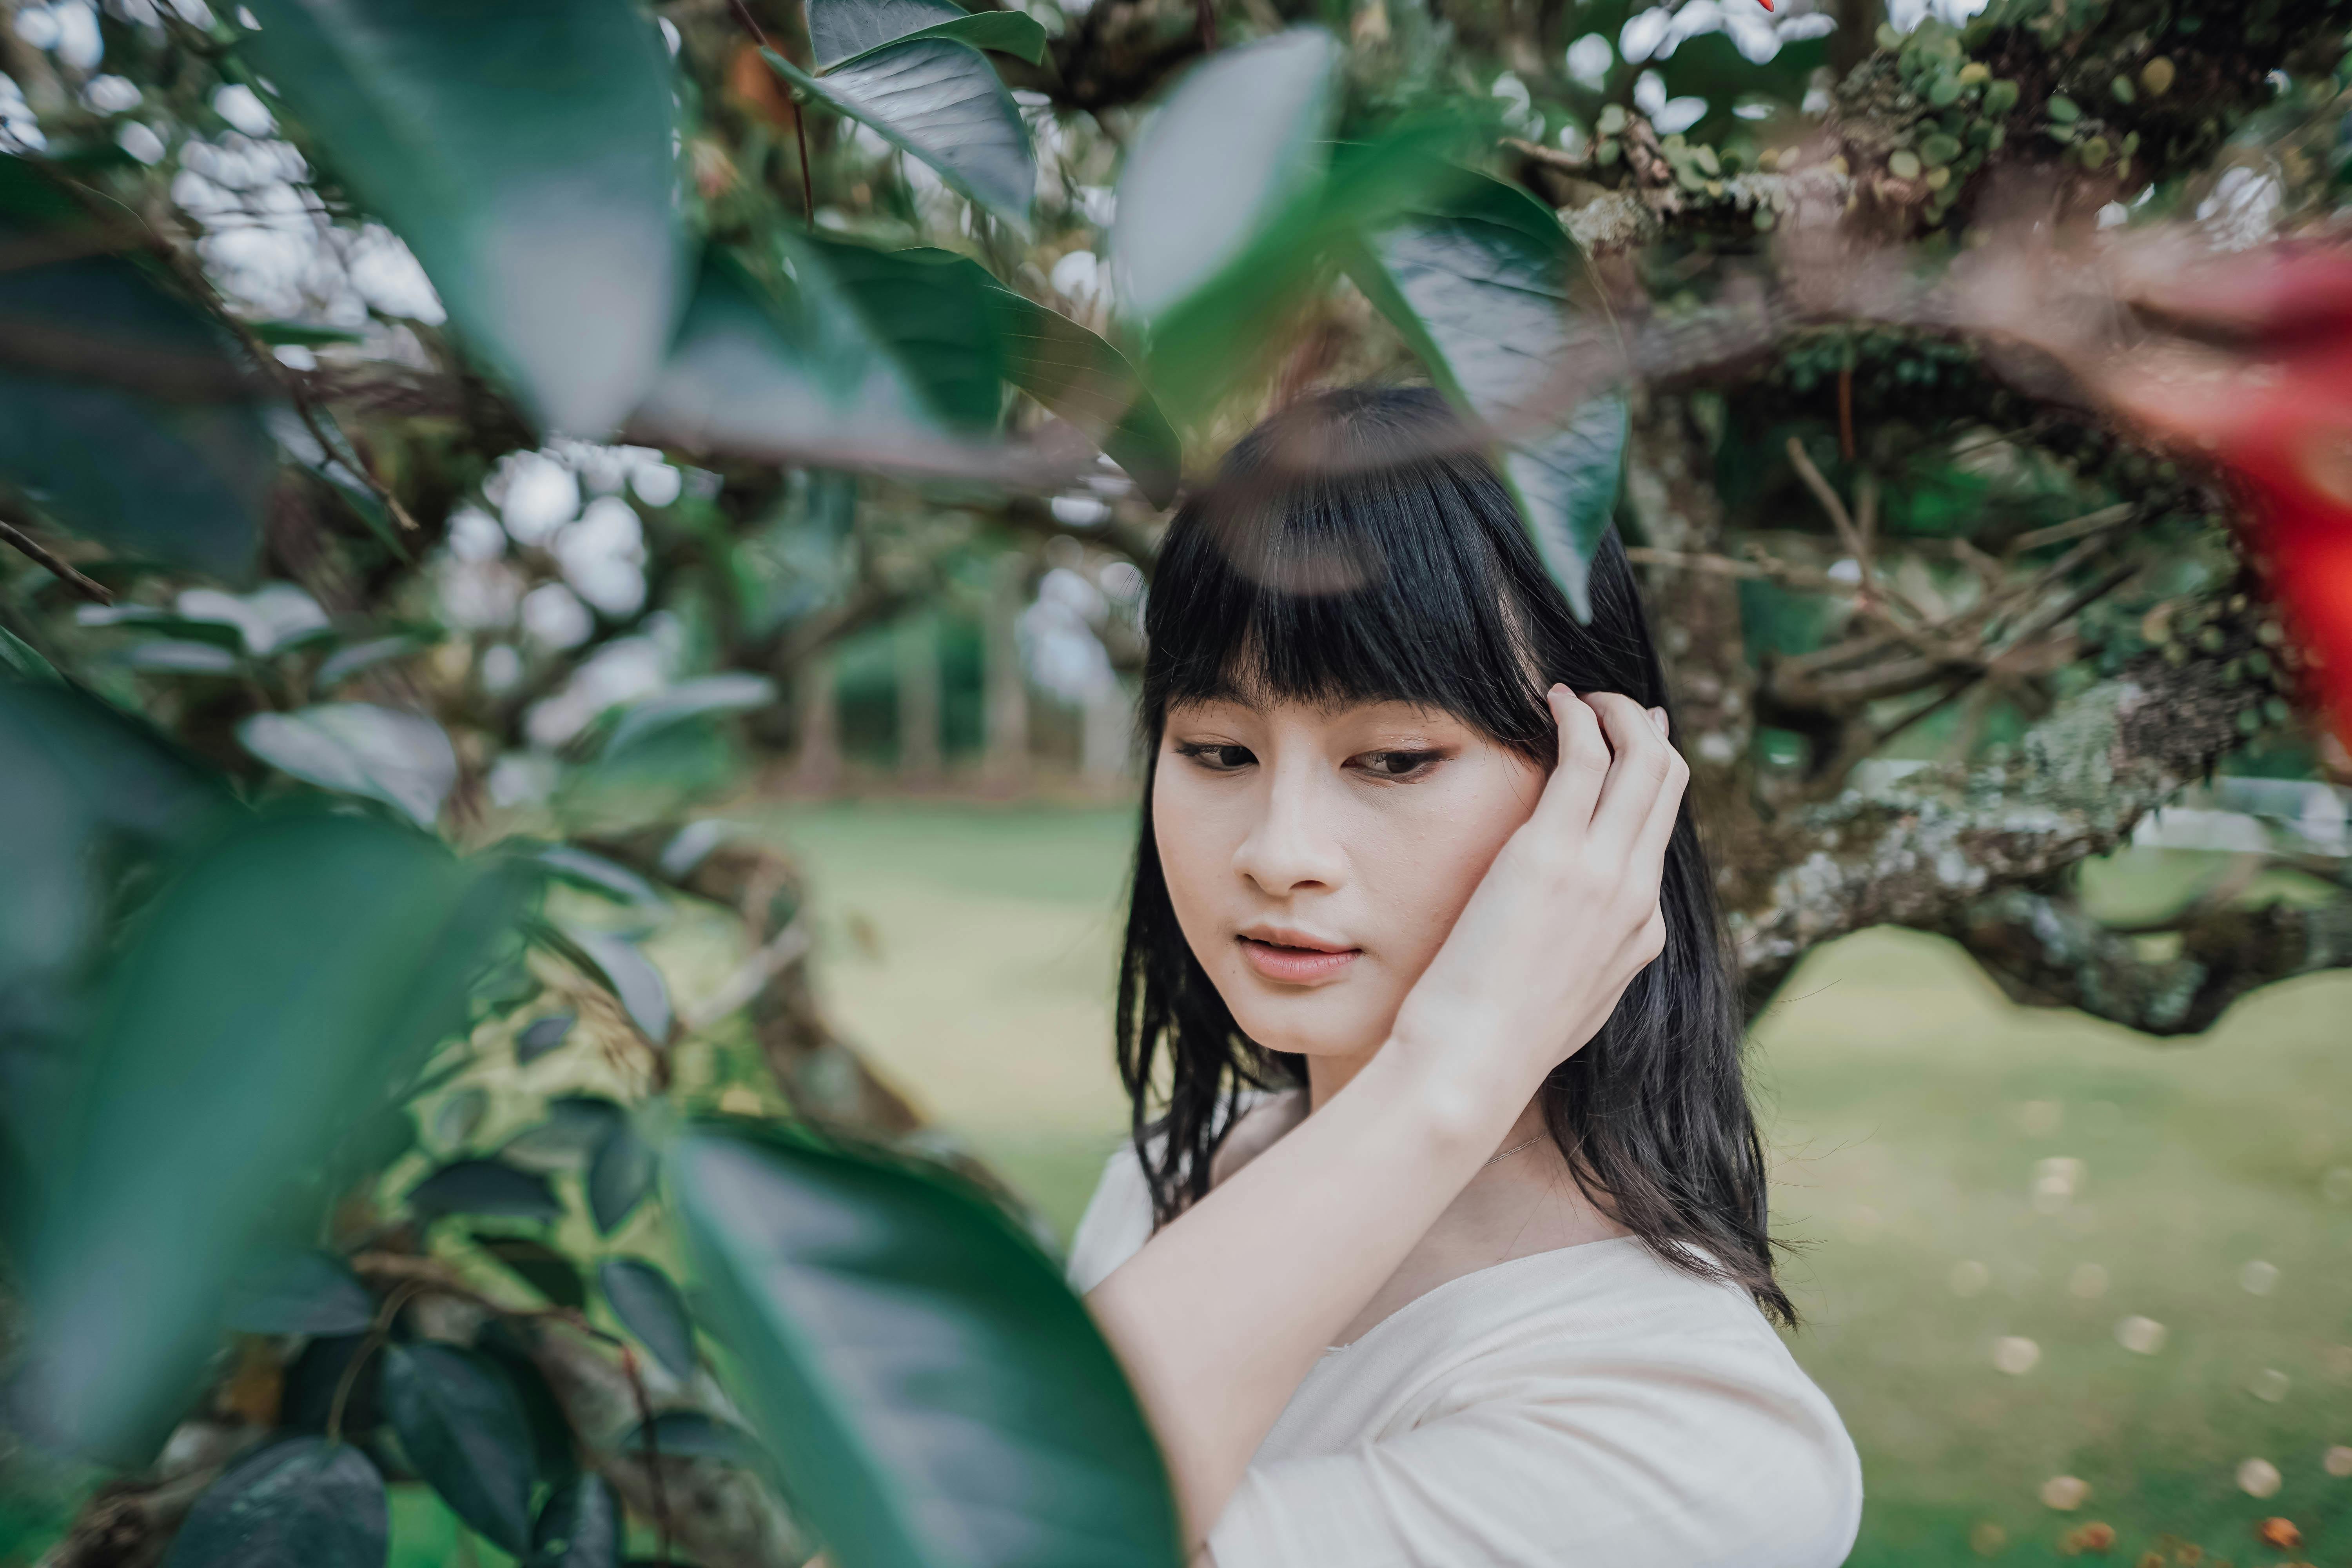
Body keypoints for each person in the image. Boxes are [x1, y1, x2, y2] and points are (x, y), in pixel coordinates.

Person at [1067, 387, 1863, 1567]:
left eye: (1392, 758)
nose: (1280, 851)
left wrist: (1456, 1074)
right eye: (1217, 751)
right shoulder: (1173, 1180)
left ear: (1602, 794)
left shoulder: (1694, 1447)